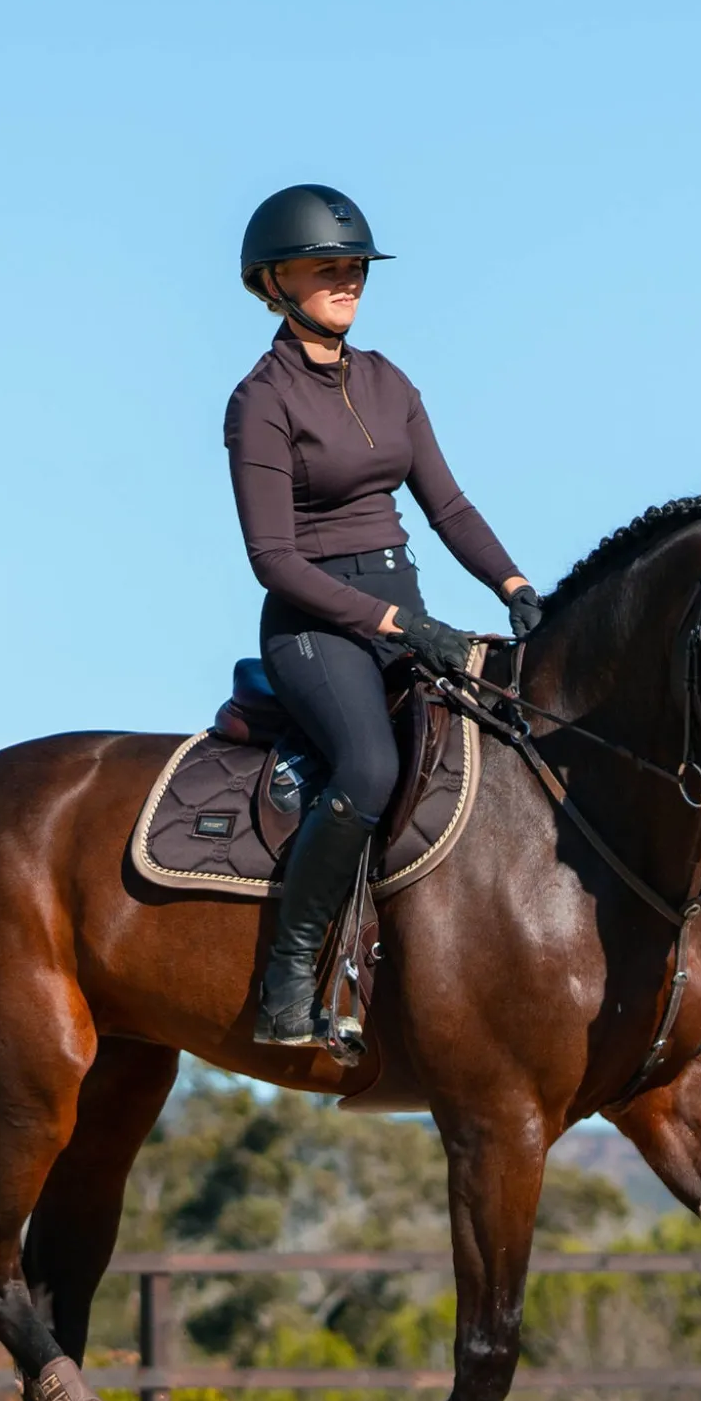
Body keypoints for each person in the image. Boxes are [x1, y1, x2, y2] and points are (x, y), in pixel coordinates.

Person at [225, 183, 542, 1046]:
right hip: (314, 622)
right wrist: (395, 627)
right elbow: (273, 558)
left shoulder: (389, 380)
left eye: (356, 265)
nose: (349, 278)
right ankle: (289, 975)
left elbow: (448, 505)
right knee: (368, 766)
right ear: (273, 282)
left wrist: (515, 588)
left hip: (405, 603)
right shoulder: (261, 401)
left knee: (498, 747)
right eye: (329, 266)